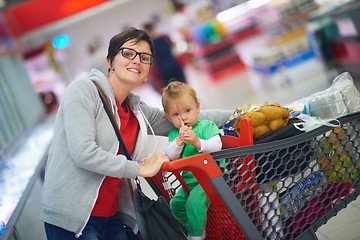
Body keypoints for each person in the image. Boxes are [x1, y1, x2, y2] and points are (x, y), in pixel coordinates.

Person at [40, 27, 231, 240]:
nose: (137, 61)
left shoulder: (135, 109)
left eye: (145, 57)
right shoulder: (84, 90)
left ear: (148, 70)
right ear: (110, 62)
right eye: (128, 53)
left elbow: (184, 116)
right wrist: (140, 168)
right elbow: (83, 153)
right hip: (73, 217)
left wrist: (237, 113)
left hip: (114, 215)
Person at [162, 81, 223, 240]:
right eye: (176, 115)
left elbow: (217, 146)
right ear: (168, 117)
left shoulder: (206, 126)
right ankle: (198, 227)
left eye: (187, 110)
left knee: (194, 203)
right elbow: (170, 155)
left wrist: (197, 142)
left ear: (197, 107)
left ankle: (195, 236)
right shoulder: (175, 134)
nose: (183, 117)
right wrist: (179, 142)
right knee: (176, 205)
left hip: (212, 178)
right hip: (189, 181)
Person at [143, 22, 186, 93]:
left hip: (162, 69)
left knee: (171, 91)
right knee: (183, 86)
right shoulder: (164, 37)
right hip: (173, 64)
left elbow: (151, 60)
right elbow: (174, 48)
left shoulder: (149, 44)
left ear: (147, 31)